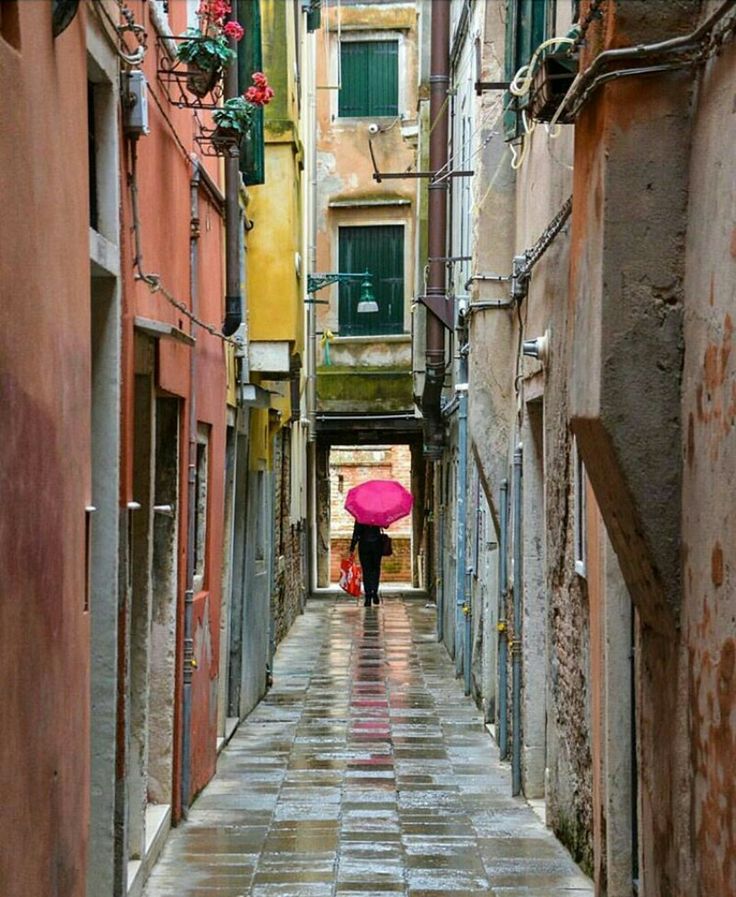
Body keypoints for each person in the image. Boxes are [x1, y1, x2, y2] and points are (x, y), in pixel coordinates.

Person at [349, 521, 383, 607]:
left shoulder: (360, 516)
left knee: (366, 571)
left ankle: (368, 596)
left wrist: (352, 546)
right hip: (377, 545)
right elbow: (386, 525)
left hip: (364, 545)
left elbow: (356, 532)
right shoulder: (378, 515)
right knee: (375, 569)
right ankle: (374, 592)